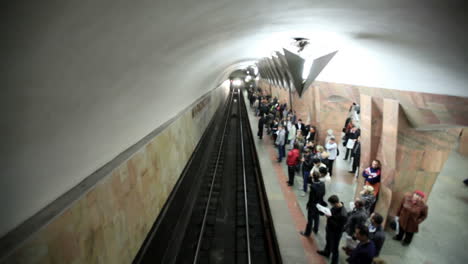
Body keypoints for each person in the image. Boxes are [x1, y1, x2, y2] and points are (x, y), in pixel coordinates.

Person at [317, 195, 348, 264]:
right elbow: (331, 213)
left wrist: (329, 218)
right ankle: (326, 252)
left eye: (331, 204)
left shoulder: (343, 214)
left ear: (335, 203)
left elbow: (339, 226)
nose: (331, 205)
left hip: (336, 233)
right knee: (328, 242)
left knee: (335, 248)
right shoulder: (335, 207)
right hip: (330, 229)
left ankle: (334, 262)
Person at [300, 171, 326, 236]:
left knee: (310, 219)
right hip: (319, 203)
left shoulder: (313, 186)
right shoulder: (322, 184)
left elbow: (311, 198)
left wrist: (308, 204)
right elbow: (323, 193)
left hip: (313, 205)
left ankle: (307, 233)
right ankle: (316, 229)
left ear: (313, 178)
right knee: (317, 217)